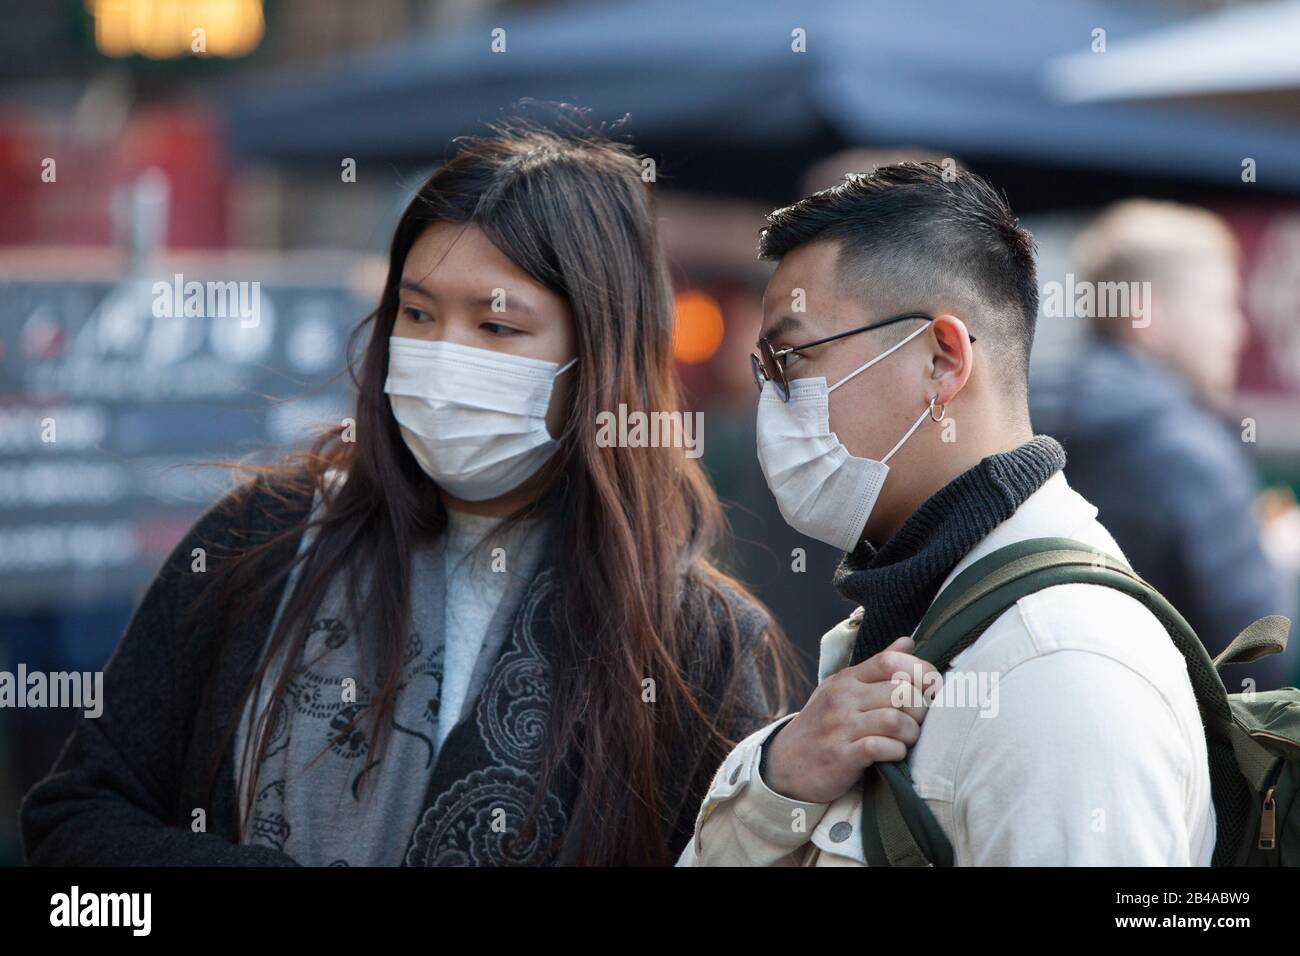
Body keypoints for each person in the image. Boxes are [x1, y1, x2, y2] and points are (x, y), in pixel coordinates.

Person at [21, 121, 794, 867]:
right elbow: (79, 812)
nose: (441, 355)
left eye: (497, 328)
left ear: (597, 357)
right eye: (418, 313)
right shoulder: (266, 543)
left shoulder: (691, 640)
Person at [679, 163, 1215, 866]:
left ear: (942, 360)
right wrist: (780, 781)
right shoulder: (929, 611)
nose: (772, 402)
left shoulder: (1059, 667)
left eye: (792, 358)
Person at [1032, 200, 1297, 691]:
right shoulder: (1194, 452)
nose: (1238, 332)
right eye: (1220, 305)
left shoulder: (1024, 419)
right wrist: (1279, 561)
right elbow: (1257, 664)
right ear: (1144, 313)